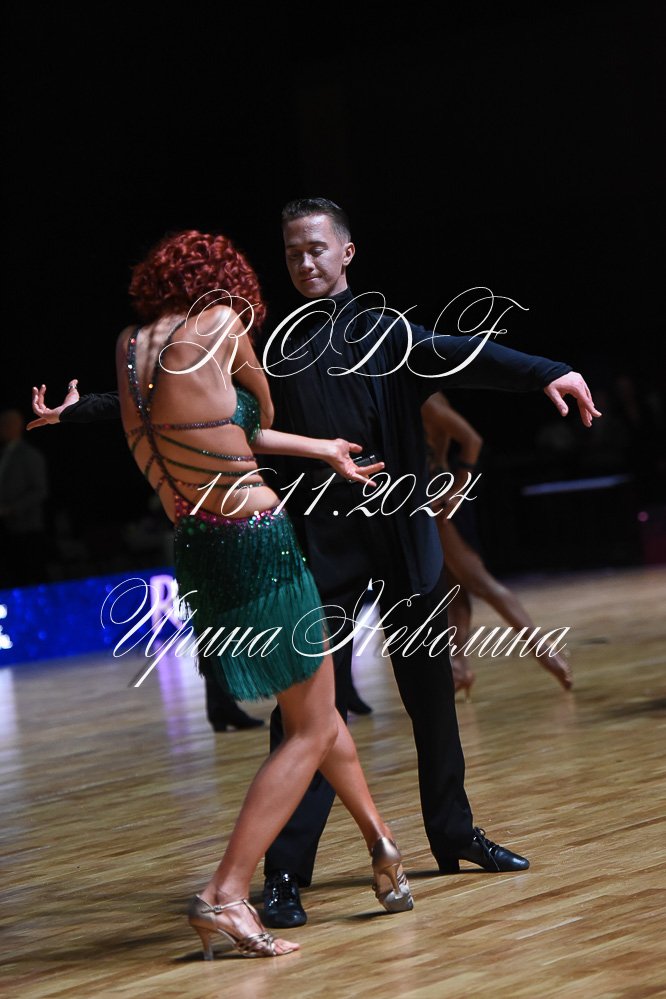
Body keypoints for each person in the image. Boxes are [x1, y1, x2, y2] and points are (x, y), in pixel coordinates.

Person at [29, 198, 601, 931]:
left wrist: (552, 371)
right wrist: (76, 412)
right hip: (320, 547)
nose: (304, 262)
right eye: (293, 252)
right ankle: (284, 874)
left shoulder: (388, 331)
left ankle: (454, 834)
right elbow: (178, 402)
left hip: (403, 536)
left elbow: (467, 351)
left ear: (346, 252)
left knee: (432, 696)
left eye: (316, 249)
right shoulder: (266, 342)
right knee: (304, 715)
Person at [88, 230, 421, 959]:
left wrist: (322, 450)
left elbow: (216, 431)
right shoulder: (221, 323)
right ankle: (226, 893)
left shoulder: (129, 346)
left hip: (199, 547)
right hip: (257, 540)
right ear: (223, 281)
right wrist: (296, 426)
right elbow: (256, 416)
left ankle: (382, 844)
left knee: (314, 711)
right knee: (310, 726)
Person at [421, 391, 574, 698]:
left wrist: (458, 489)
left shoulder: (428, 401)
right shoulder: (417, 398)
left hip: (438, 499)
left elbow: (472, 440)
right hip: (432, 496)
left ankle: (545, 651)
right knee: (456, 590)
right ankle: (459, 667)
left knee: (481, 583)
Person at [0, 408, 49, 586]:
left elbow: (39, 491)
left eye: (6, 424)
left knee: (28, 576)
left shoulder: (30, 455)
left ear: (17, 426)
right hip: (6, 531)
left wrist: (11, 509)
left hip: (26, 529)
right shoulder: (3, 453)